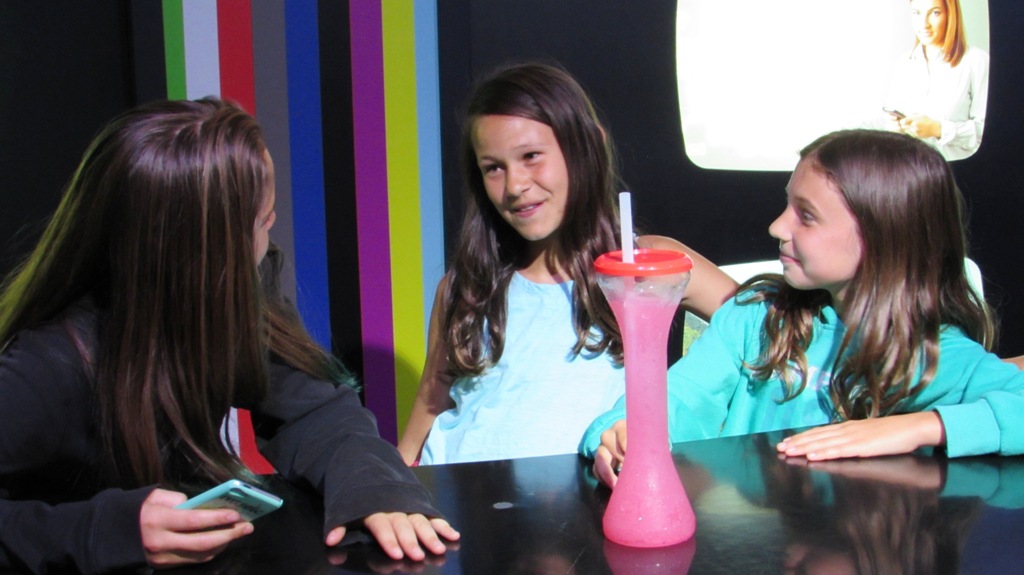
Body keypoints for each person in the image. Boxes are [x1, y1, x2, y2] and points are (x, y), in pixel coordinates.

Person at [0, 98, 458, 574]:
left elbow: (310, 407)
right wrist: (104, 531)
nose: (272, 229)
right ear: (206, 255)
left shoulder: (235, 292)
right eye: (262, 220)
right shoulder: (45, 368)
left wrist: (374, 486)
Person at [584, 128, 1024, 487]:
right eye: (787, 205)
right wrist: (623, 430)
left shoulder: (937, 356)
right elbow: (681, 397)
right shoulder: (755, 318)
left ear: (883, 236)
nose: (777, 226)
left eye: (806, 216)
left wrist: (922, 426)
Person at [397, 62, 737, 466]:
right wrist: (394, 483)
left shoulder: (649, 263)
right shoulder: (465, 286)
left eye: (531, 156)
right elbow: (433, 394)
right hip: (458, 493)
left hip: (589, 494)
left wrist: (681, 401)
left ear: (587, 147)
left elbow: (757, 330)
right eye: (494, 168)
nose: (515, 185)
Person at [881, 0, 988, 161]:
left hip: (958, 170)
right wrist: (894, 128)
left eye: (935, 13)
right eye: (917, 13)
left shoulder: (976, 61)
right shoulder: (904, 63)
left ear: (950, 15)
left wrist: (939, 129)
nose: (924, 24)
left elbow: (986, 132)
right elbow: (892, 124)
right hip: (911, 169)